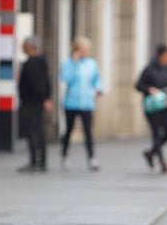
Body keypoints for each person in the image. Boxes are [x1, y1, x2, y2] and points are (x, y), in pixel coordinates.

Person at [136, 44, 167, 174]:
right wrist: (148, 89)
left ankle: (151, 152)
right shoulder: (149, 69)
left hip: (165, 104)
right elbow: (138, 85)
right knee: (156, 133)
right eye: (166, 56)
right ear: (160, 56)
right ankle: (162, 161)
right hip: (152, 106)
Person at [60, 36, 103, 171]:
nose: (85, 51)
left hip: (87, 102)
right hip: (71, 102)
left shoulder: (92, 64)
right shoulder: (68, 63)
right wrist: (75, 63)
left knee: (88, 131)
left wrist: (98, 90)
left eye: (87, 49)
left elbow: (97, 79)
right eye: (83, 49)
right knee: (69, 130)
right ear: (77, 49)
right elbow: (66, 78)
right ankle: (64, 155)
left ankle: (91, 158)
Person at [17, 36, 52, 172]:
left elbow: (37, 83)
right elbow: (46, 82)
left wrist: (44, 98)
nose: (22, 48)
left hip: (31, 102)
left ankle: (36, 161)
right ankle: (40, 160)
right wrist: (47, 98)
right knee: (37, 131)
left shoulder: (33, 63)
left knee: (33, 131)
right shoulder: (41, 62)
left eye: (24, 46)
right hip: (36, 101)